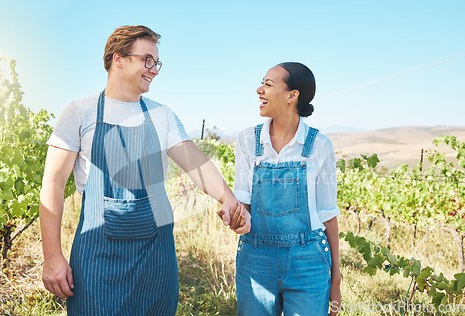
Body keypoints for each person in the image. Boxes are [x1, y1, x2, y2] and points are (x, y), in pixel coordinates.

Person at [39, 25, 249, 316]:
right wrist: (52, 255)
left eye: (156, 63)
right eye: (147, 60)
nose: (154, 69)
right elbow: (53, 184)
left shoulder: (161, 115)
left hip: (156, 256)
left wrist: (228, 199)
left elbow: (196, 163)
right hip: (98, 256)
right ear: (119, 58)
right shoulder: (80, 112)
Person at [233, 62, 341, 315]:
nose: (259, 90)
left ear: (292, 96)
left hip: (308, 261)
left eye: (268, 85)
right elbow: (243, 203)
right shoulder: (248, 140)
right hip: (255, 259)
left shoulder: (320, 146)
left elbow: (328, 215)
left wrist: (336, 279)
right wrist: (236, 218)